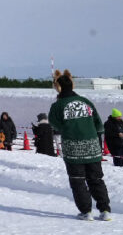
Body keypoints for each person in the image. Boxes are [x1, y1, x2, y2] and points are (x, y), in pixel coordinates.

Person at [48, 71, 111, 220]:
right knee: (96, 179)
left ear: (58, 87)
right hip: (92, 146)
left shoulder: (58, 105)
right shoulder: (85, 101)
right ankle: (105, 210)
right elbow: (98, 123)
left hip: (73, 148)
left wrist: (66, 129)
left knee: (78, 180)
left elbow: (53, 122)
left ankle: (86, 211)